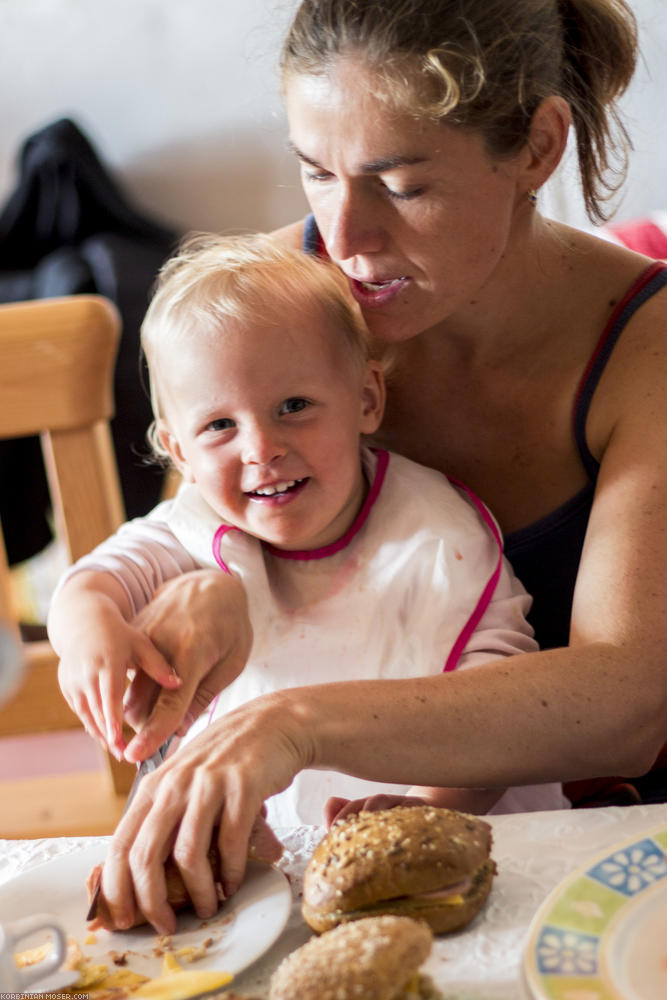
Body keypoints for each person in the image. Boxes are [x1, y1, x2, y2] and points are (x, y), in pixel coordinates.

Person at [54, 0, 667, 935]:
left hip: (611, 870)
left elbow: (627, 701)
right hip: (329, 853)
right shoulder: (274, 303)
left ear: (538, 146)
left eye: (403, 185)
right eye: (315, 172)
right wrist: (206, 587)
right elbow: (204, 538)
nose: (344, 237)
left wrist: (294, 725)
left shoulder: (645, 349)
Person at [50, 231, 556, 831]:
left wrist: (432, 807)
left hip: (445, 828)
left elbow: (498, 707)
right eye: (219, 425)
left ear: (366, 398)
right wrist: (89, 631)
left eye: (294, 406)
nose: (262, 449)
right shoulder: (192, 528)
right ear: (177, 450)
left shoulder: (435, 531)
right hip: (263, 840)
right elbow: (94, 580)